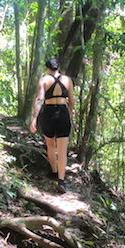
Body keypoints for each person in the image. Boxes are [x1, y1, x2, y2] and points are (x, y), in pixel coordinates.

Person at [29, 57, 75, 193]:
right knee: (62, 150)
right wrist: (69, 115)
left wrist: (34, 118)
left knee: (50, 145)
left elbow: (39, 99)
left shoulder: (44, 80)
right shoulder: (67, 80)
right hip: (63, 113)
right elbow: (72, 101)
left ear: (47, 68)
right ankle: (61, 180)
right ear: (58, 67)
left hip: (48, 113)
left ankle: (54, 171)